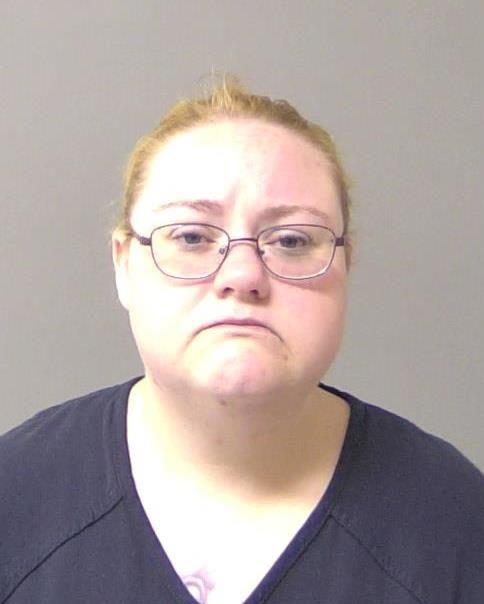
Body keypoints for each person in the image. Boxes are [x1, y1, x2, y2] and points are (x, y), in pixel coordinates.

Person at [0, 75, 482, 604]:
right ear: (124, 265)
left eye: (292, 240)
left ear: (346, 264)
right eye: (190, 236)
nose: (243, 274)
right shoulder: (15, 499)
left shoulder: (456, 526)